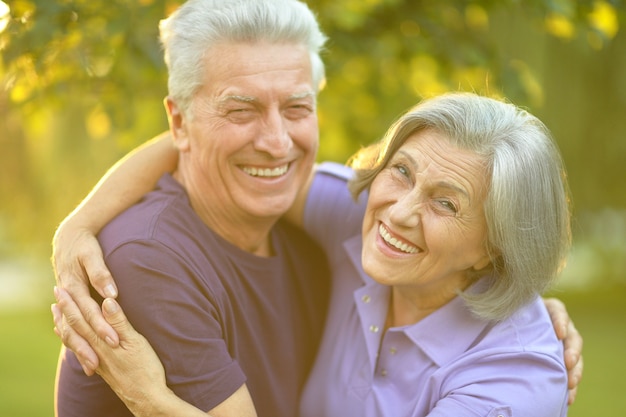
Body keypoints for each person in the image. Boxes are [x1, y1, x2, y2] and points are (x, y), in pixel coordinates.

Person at [54, 92, 577, 416]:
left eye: (445, 203)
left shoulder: (511, 383)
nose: (399, 213)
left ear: (493, 250)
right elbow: (209, 151)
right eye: (402, 171)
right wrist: (76, 228)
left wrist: (153, 402)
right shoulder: (356, 215)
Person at [53, 0, 331, 416]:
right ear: (179, 123)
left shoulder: (316, 237)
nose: (277, 143)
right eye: (241, 110)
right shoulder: (147, 259)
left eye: (296, 108)